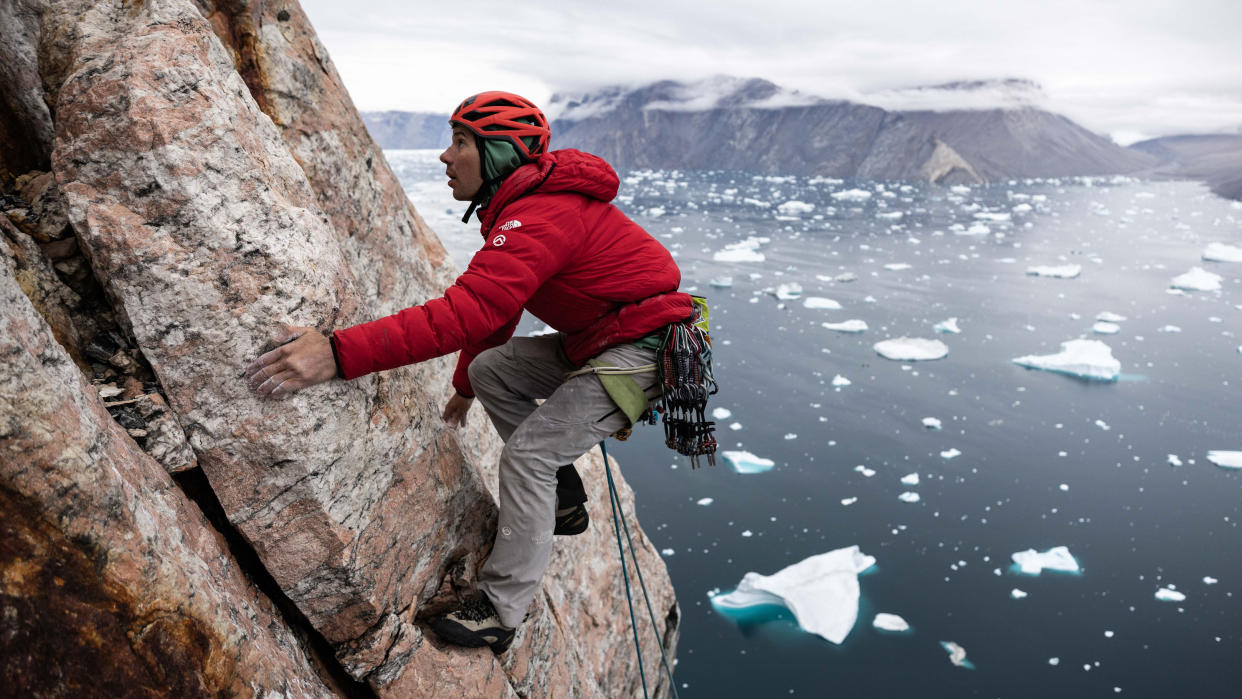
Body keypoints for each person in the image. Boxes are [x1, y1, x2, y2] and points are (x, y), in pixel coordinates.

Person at [245, 91, 692, 653]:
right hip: (603, 340)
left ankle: (501, 611)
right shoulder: (524, 208)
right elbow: (496, 311)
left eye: (460, 142)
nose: (445, 156)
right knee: (492, 369)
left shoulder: (542, 213)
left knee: (531, 454)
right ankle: (563, 500)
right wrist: (465, 386)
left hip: (639, 350)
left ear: (500, 152)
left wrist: (337, 352)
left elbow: (465, 312)